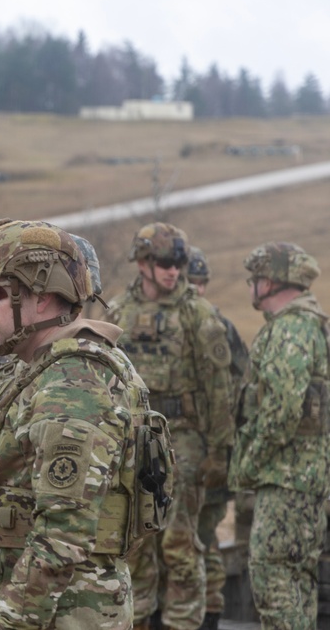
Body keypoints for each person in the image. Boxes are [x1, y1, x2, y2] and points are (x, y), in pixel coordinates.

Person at [0, 219, 156, 629]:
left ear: (41, 296)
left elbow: (63, 537)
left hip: (59, 611)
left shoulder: (74, 383)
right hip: (12, 594)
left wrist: (11, 622)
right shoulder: (37, 370)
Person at [107, 222, 234, 630]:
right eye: (164, 262)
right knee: (134, 544)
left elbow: (219, 389)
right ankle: (138, 618)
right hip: (132, 439)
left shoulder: (198, 314)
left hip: (183, 439)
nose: (173, 271)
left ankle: (183, 622)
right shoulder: (118, 312)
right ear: (143, 263)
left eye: (178, 263)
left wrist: (220, 451)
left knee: (179, 544)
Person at [230, 242, 329, 630]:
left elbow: (284, 407)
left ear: (268, 282)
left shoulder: (290, 329)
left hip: (285, 477)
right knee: (298, 579)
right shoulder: (308, 324)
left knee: (272, 575)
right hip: (303, 478)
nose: (251, 288)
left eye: (254, 280)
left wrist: (251, 462)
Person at [186, 245, 250, 630]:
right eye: (188, 283)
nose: (193, 290)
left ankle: (208, 613)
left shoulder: (218, 327)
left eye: (199, 283)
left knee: (203, 539)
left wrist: (225, 451)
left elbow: (241, 386)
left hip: (212, 453)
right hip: (180, 453)